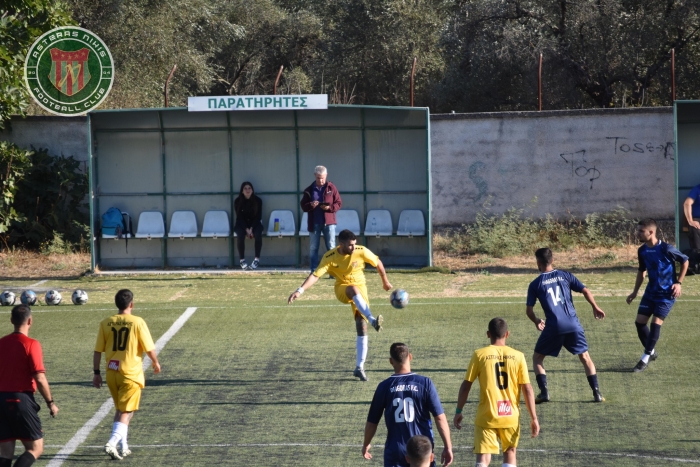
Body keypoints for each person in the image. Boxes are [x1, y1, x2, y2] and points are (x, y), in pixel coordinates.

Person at [288, 229, 391, 381]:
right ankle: (373, 320)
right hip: (342, 288)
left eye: (355, 244)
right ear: (340, 244)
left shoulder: (361, 251)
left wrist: (385, 281)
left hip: (361, 291)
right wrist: (300, 290)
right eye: (350, 245)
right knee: (352, 289)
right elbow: (316, 275)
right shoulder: (330, 257)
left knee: (361, 326)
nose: (353, 248)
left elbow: (378, 263)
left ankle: (359, 367)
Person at [454, 318, 539, 467]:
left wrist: (458, 411)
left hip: (487, 416)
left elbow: (466, 386)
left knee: (483, 459)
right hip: (510, 416)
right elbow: (528, 389)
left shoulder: (479, 354)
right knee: (510, 454)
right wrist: (534, 418)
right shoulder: (518, 356)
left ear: (488, 334)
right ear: (507, 334)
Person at [525, 248, 606, 403]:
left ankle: (544, 393)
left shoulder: (535, 284)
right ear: (552, 260)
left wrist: (536, 321)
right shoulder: (565, 275)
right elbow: (585, 291)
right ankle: (597, 393)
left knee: (537, 358)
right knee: (585, 357)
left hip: (553, 326)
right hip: (573, 324)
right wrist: (595, 307)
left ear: (538, 262)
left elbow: (529, 311)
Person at [93, 289, 161, 460]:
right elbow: (149, 347)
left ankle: (124, 446)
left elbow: (97, 351)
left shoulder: (106, 322)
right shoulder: (137, 322)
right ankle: (112, 442)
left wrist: (96, 373)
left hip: (111, 373)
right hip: (130, 374)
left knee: (121, 410)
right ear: (131, 304)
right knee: (126, 411)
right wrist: (155, 361)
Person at [362, 343, 453, 467]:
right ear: (410, 357)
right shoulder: (425, 383)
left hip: (395, 451)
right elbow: (440, 418)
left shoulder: (384, 386)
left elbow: (372, 422)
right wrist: (448, 447)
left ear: (391, 361)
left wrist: (366, 443)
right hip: (422, 450)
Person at [626, 218, 688, 372]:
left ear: (651, 232)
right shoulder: (642, 250)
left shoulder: (666, 248)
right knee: (640, 323)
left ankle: (645, 358)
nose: (637, 233)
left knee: (655, 323)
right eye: (638, 230)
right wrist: (635, 292)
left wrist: (678, 282)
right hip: (650, 292)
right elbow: (642, 271)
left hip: (666, 294)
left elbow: (685, 260)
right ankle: (651, 352)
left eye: (641, 231)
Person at [0, 305, 58, 467]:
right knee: (35, 448)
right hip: (21, 400)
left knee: (5, 452)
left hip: (0, 399)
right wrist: (50, 402)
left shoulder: (1, 343)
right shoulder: (31, 344)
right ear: (30, 321)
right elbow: (39, 377)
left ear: (11, 320)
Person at [300, 165, 342, 272]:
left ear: (326, 175)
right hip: (314, 223)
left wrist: (329, 208)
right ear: (315, 176)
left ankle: (333, 272)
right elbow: (303, 206)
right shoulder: (309, 190)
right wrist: (311, 205)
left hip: (329, 223)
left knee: (331, 248)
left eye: (323, 177)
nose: (321, 180)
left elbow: (339, 203)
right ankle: (314, 271)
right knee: (314, 248)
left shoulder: (331, 188)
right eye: (318, 178)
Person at [234, 181, 264, 270]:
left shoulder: (258, 201)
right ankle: (242, 260)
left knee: (258, 233)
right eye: (245, 188)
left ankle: (256, 259)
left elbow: (258, 217)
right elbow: (239, 217)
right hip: (241, 224)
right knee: (240, 234)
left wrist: (251, 228)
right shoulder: (237, 201)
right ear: (242, 191)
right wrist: (246, 229)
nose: (247, 190)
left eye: (249, 188)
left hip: (255, 224)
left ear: (252, 190)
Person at [683, 184, 700, 250]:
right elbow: (687, 203)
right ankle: (697, 255)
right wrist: (690, 221)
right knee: (694, 228)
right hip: (697, 219)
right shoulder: (697, 189)